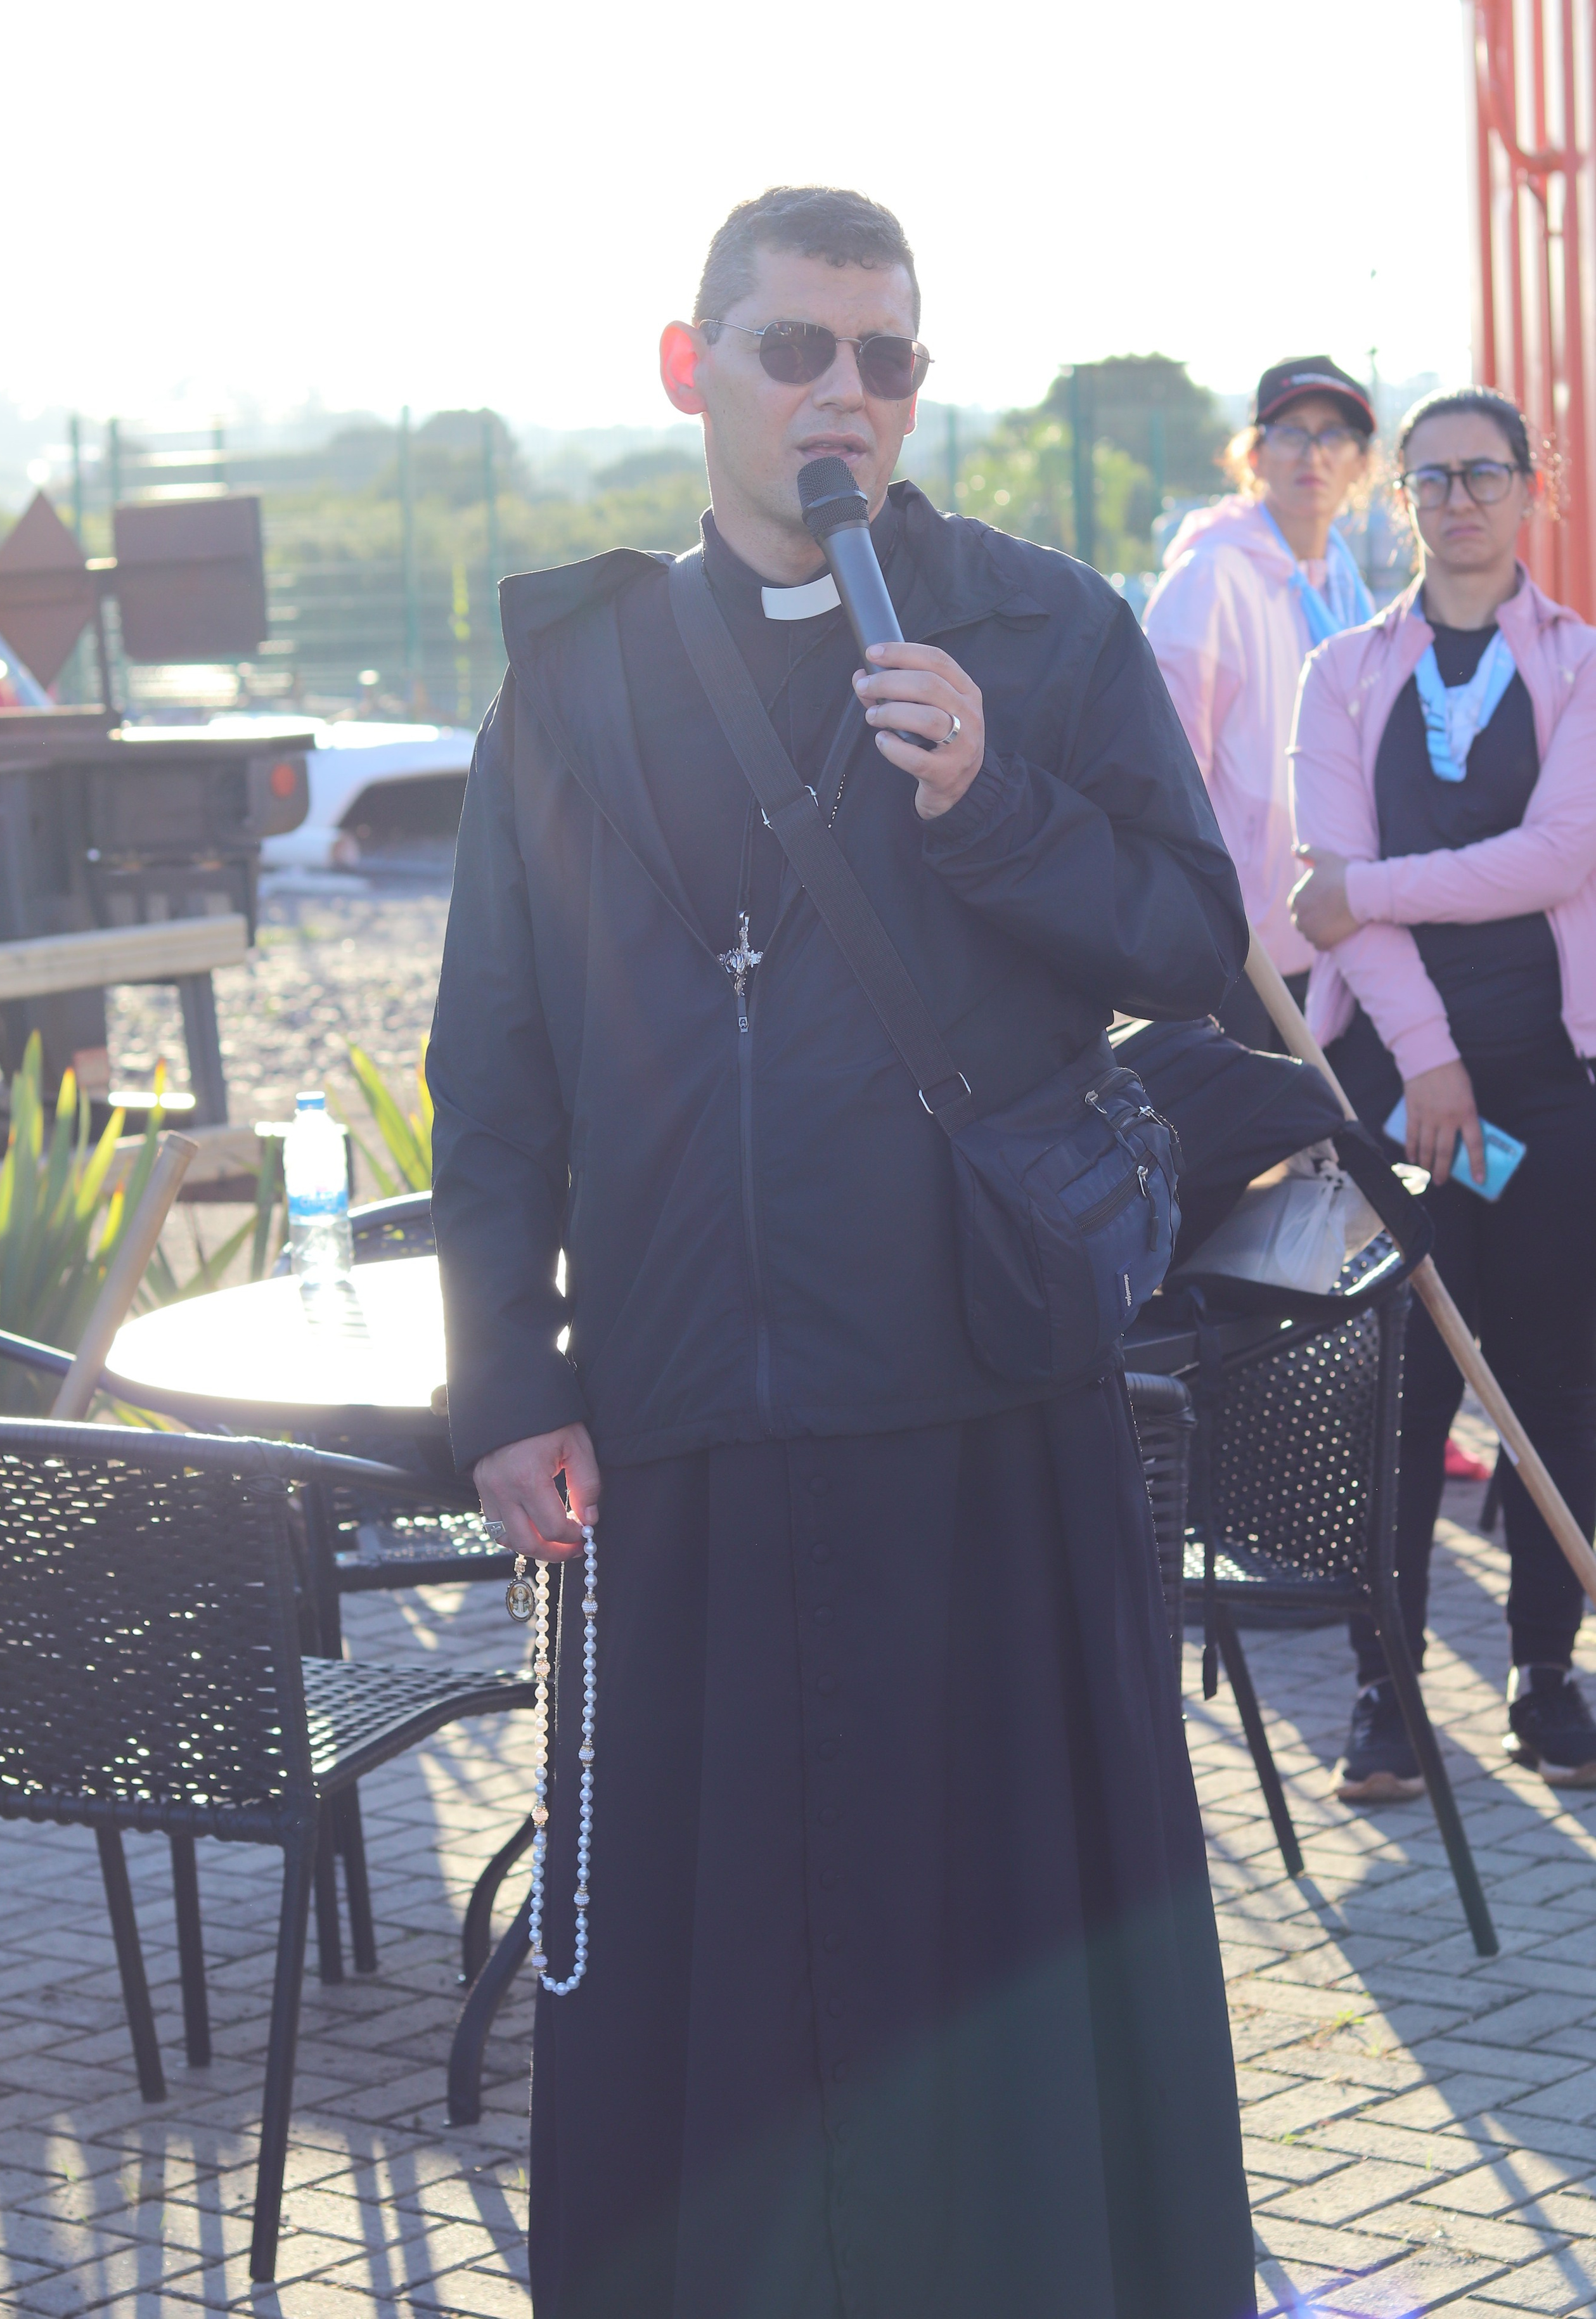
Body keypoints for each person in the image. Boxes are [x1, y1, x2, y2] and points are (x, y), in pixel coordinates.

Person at [428, 185, 1256, 2319]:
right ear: (693, 369)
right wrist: (506, 1383)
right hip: (695, 1421)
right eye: (800, 351)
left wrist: (993, 806)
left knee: (990, 1950)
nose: (847, 400)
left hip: (981, 1404)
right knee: (729, 1975)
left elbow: (1190, 942)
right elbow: (496, 1067)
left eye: (887, 361)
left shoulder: (1042, 629)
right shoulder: (577, 682)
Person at [1290, 387, 1596, 1800]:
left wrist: (1360, 891)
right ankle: (1385, 1691)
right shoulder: (1339, 675)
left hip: (1550, 1081)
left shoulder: (1579, 665)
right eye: (1428, 479)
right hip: (1400, 1084)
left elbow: (1554, 859)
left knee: (1550, 1385)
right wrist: (1423, 1061)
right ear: (1395, 500)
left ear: (1529, 488)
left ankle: (1545, 1674)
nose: (1455, 498)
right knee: (1402, 1393)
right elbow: (1330, 900)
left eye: (1481, 473)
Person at [1145, 357, 1374, 1048]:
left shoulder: (1343, 584)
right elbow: (1165, 771)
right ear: (1254, 453)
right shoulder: (1210, 577)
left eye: (1334, 435)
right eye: (1291, 432)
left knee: (1342, 1145)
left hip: (1338, 927)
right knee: (1269, 1146)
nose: (1313, 453)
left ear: (1361, 463)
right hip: (1248, 947)